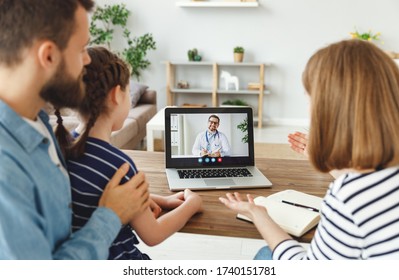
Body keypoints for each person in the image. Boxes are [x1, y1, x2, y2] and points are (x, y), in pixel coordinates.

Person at [220, 39, 399, 259]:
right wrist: (332, 166)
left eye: (309, 100)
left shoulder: (349, 197)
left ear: (330, 110)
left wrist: (258, 215)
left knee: (265, 254)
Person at [0, 0, 150, 260]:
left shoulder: (40, 124)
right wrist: (110, 217)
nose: (87, 60)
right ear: (48, 56)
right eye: (81, 48)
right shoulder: (7, 171)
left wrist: (132, 200)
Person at [59, 46, 203, 259]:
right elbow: (154, 234)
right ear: (117, 94)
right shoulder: (119, 165)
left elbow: (92, 194)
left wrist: (161, 200)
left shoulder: (63, 146)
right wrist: (192, 204)